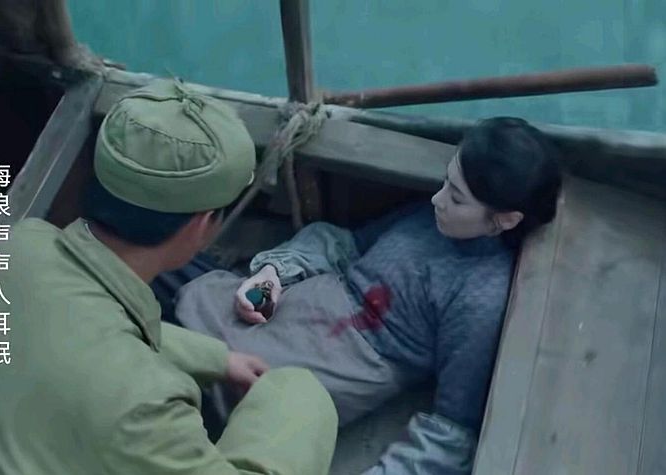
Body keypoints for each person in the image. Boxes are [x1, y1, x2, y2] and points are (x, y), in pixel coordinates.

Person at [0, 79, 337, 475]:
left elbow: (81, 326)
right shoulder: (146, 405)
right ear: (201, 226)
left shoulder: (15, 248)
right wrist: (300, 392)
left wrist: (217, 359)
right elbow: (107, 355)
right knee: (297, 395)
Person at [175, 117, 563, 474]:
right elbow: (345, 245)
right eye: (446, 182)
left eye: (457, 197)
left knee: (226, 384)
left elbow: (452, 428)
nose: (437, 199)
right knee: (188, 301)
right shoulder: (434, 219)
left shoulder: (480, 298)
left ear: (505, 220)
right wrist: (272, 276)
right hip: (309, 304)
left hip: (344, 361)